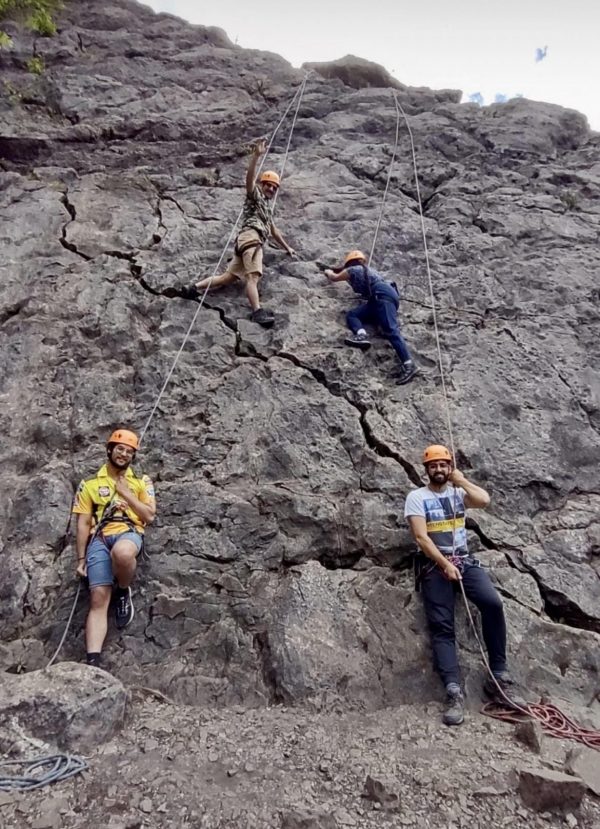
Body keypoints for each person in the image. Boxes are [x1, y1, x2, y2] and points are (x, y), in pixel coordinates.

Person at [404, 444, 522, 725]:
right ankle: (453, 690)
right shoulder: (417, 497)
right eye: (434, 466)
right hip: (435, 564)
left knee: (492, 603)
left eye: (444, 465)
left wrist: (462, 480)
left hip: (464, 560)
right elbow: (421, 537)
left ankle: (499, 676)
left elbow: (484, 501)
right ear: (426, 470)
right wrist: (444, 565)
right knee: (442, 625)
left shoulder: (458, 493)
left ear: (449, 467)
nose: (439, 469)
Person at [73, 429, 156, 667]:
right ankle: (93, 660)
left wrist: (127, 494)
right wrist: (81, 559)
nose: (124, 454)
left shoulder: (142, 481)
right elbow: (83, 522)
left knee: (122, 553)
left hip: (128, 531)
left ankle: (123, 589)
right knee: (98, 597)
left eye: (130, 452)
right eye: (120, 449)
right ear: (110, 449)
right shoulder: (89, 484)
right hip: (99, 538)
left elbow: (149, 515)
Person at [194, 138, 296, 328]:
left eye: (274, 187)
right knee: (252, 277)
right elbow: (249, 181)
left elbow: (273, 230)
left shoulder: (266, 207)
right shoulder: (255, 195)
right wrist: (256, 157)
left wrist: (287, 247)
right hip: (251, 239)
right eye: (268, 185)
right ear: (262, 184)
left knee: (228, 277)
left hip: (246, 241)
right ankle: (257, 312)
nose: (271, 189)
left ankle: (194, 288)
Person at [323, 250, 417, 385]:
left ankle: (409, 365)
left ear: (350, 263)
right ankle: (361, 335)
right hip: (379, 298)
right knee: (353, 315)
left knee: (391, 330)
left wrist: (327, 272)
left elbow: (334, 277)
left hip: (381, 296)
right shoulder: (369, 271)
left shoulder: (353, 270)